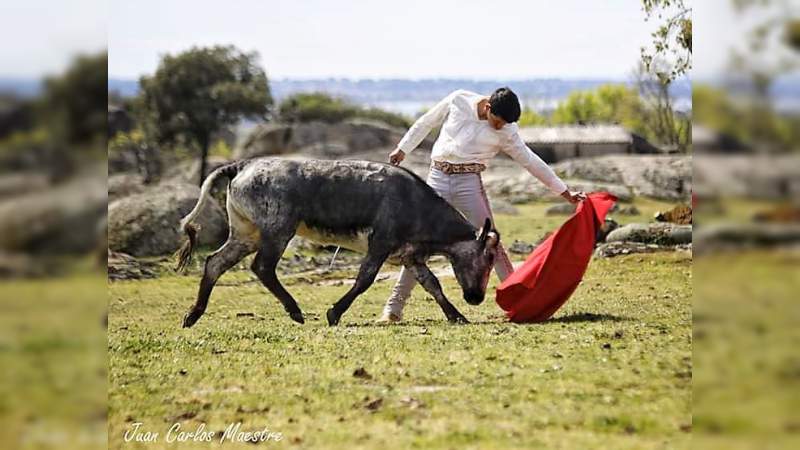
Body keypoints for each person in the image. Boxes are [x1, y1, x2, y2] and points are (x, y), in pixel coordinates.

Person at [378, 87, 585, 323]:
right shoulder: (458, 100)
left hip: (469, 182)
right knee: (418, 244)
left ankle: (521, 303)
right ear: (487, 107)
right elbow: (426, 122)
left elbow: (530, 161)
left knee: (491, 242)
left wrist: (564, 191)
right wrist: (403, 148)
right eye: (497, 122)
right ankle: (393, 310)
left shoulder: (507, 130)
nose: (500, 127)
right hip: (436, 178)